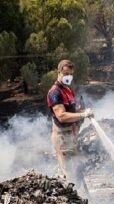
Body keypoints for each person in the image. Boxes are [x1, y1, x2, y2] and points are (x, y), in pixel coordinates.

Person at [47, 59, 94, 194]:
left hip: (71, 136)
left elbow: (72, 112)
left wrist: (84, 112)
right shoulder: (54, 92)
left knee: (77, 171)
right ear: (59, 72)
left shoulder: (68, 90)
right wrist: (82, 115)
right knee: (69, 175)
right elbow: (62, 115)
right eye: (66, 73)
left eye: (71, 74)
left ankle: (82, 199)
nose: (68, 77)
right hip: (62, 138)